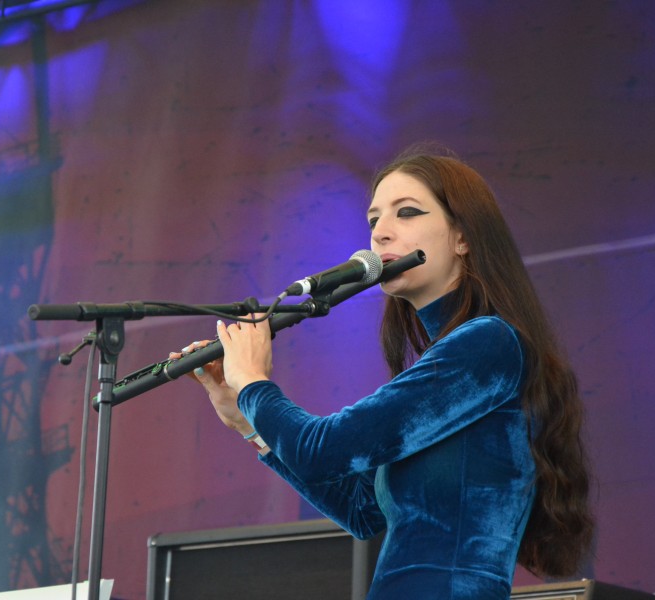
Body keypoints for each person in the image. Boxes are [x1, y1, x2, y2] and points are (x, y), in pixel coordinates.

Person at [174, 146, 594, 599]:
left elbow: (322, 450)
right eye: (373, 220)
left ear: (463, 237)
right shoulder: (458, 359)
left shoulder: (488, 344)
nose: (381, 234)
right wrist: (246, 422)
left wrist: (255, 385)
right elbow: (361, 511)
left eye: (407, 213)